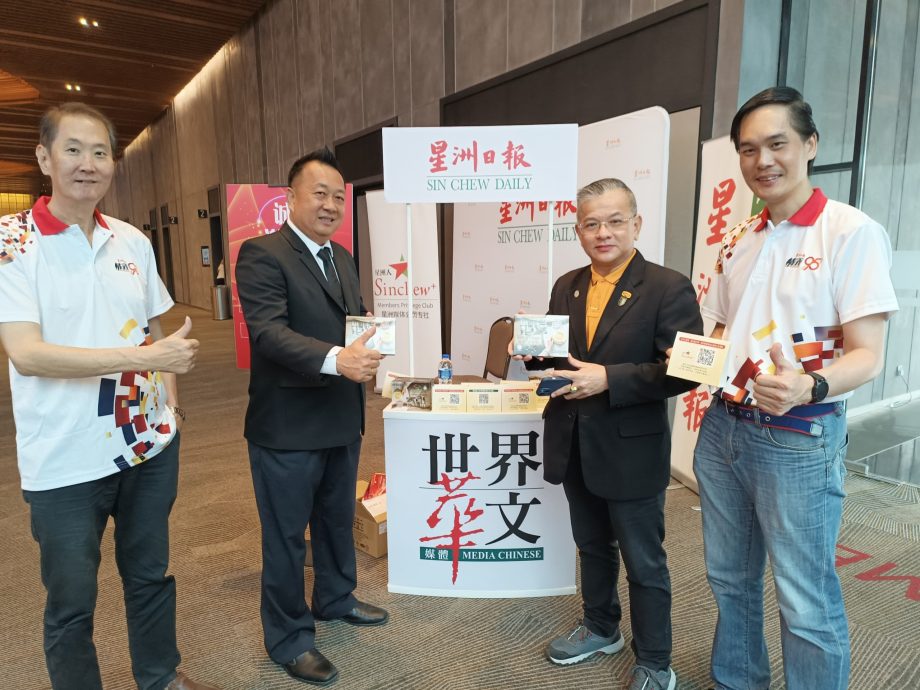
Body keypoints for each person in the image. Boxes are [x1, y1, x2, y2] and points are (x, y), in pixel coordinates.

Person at [0, 103, 216, 690]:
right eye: (73, 150)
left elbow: (157, 330)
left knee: (149, 576)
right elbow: (26, 353)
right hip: (64, 461)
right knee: (71, 603)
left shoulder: (132, 240)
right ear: (44, 157)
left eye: (100, 152)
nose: (88, 164)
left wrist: (170, 411)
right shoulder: (13, 241)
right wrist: (143, 360)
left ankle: (160, 677)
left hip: (146, 446)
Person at [694, 86, 899, 690]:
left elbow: (869, 357)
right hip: (723, 429)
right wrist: (684, 365)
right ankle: (738, 680)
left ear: (810, 145)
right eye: (748, 149)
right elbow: (722, 331)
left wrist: (808, 386)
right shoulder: (740, 236)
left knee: (804, 595)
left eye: (777, 144)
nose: (763, 161)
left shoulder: (849, 232)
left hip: (799, 436)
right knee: (729, 580)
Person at [518, 178, 703, 690]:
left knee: (644, 561)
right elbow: (560, 359)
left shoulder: (668, 287)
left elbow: (688, 372)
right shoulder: (567, 285)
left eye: (615, 221)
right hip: (574, 441)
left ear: (636, 224)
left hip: (631, 449)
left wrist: (610, 379)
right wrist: (534, 356)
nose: (603, 232)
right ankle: (601, 627)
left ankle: (656, 662)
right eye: (591, 223)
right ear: (578, 230)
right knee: (593, 546)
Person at [235, 148, 387, 686]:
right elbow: (269, 333)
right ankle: (290, 639)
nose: (330, 205)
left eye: (338, 197)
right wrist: (337, 359)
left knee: (335, 518)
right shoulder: (262, 253)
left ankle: (336, 597)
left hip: (341, 416)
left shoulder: (341, 256)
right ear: (291, 198)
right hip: (288, 425)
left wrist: (367, 343)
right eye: (319, 194)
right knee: (285, 537)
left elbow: (348, 323)